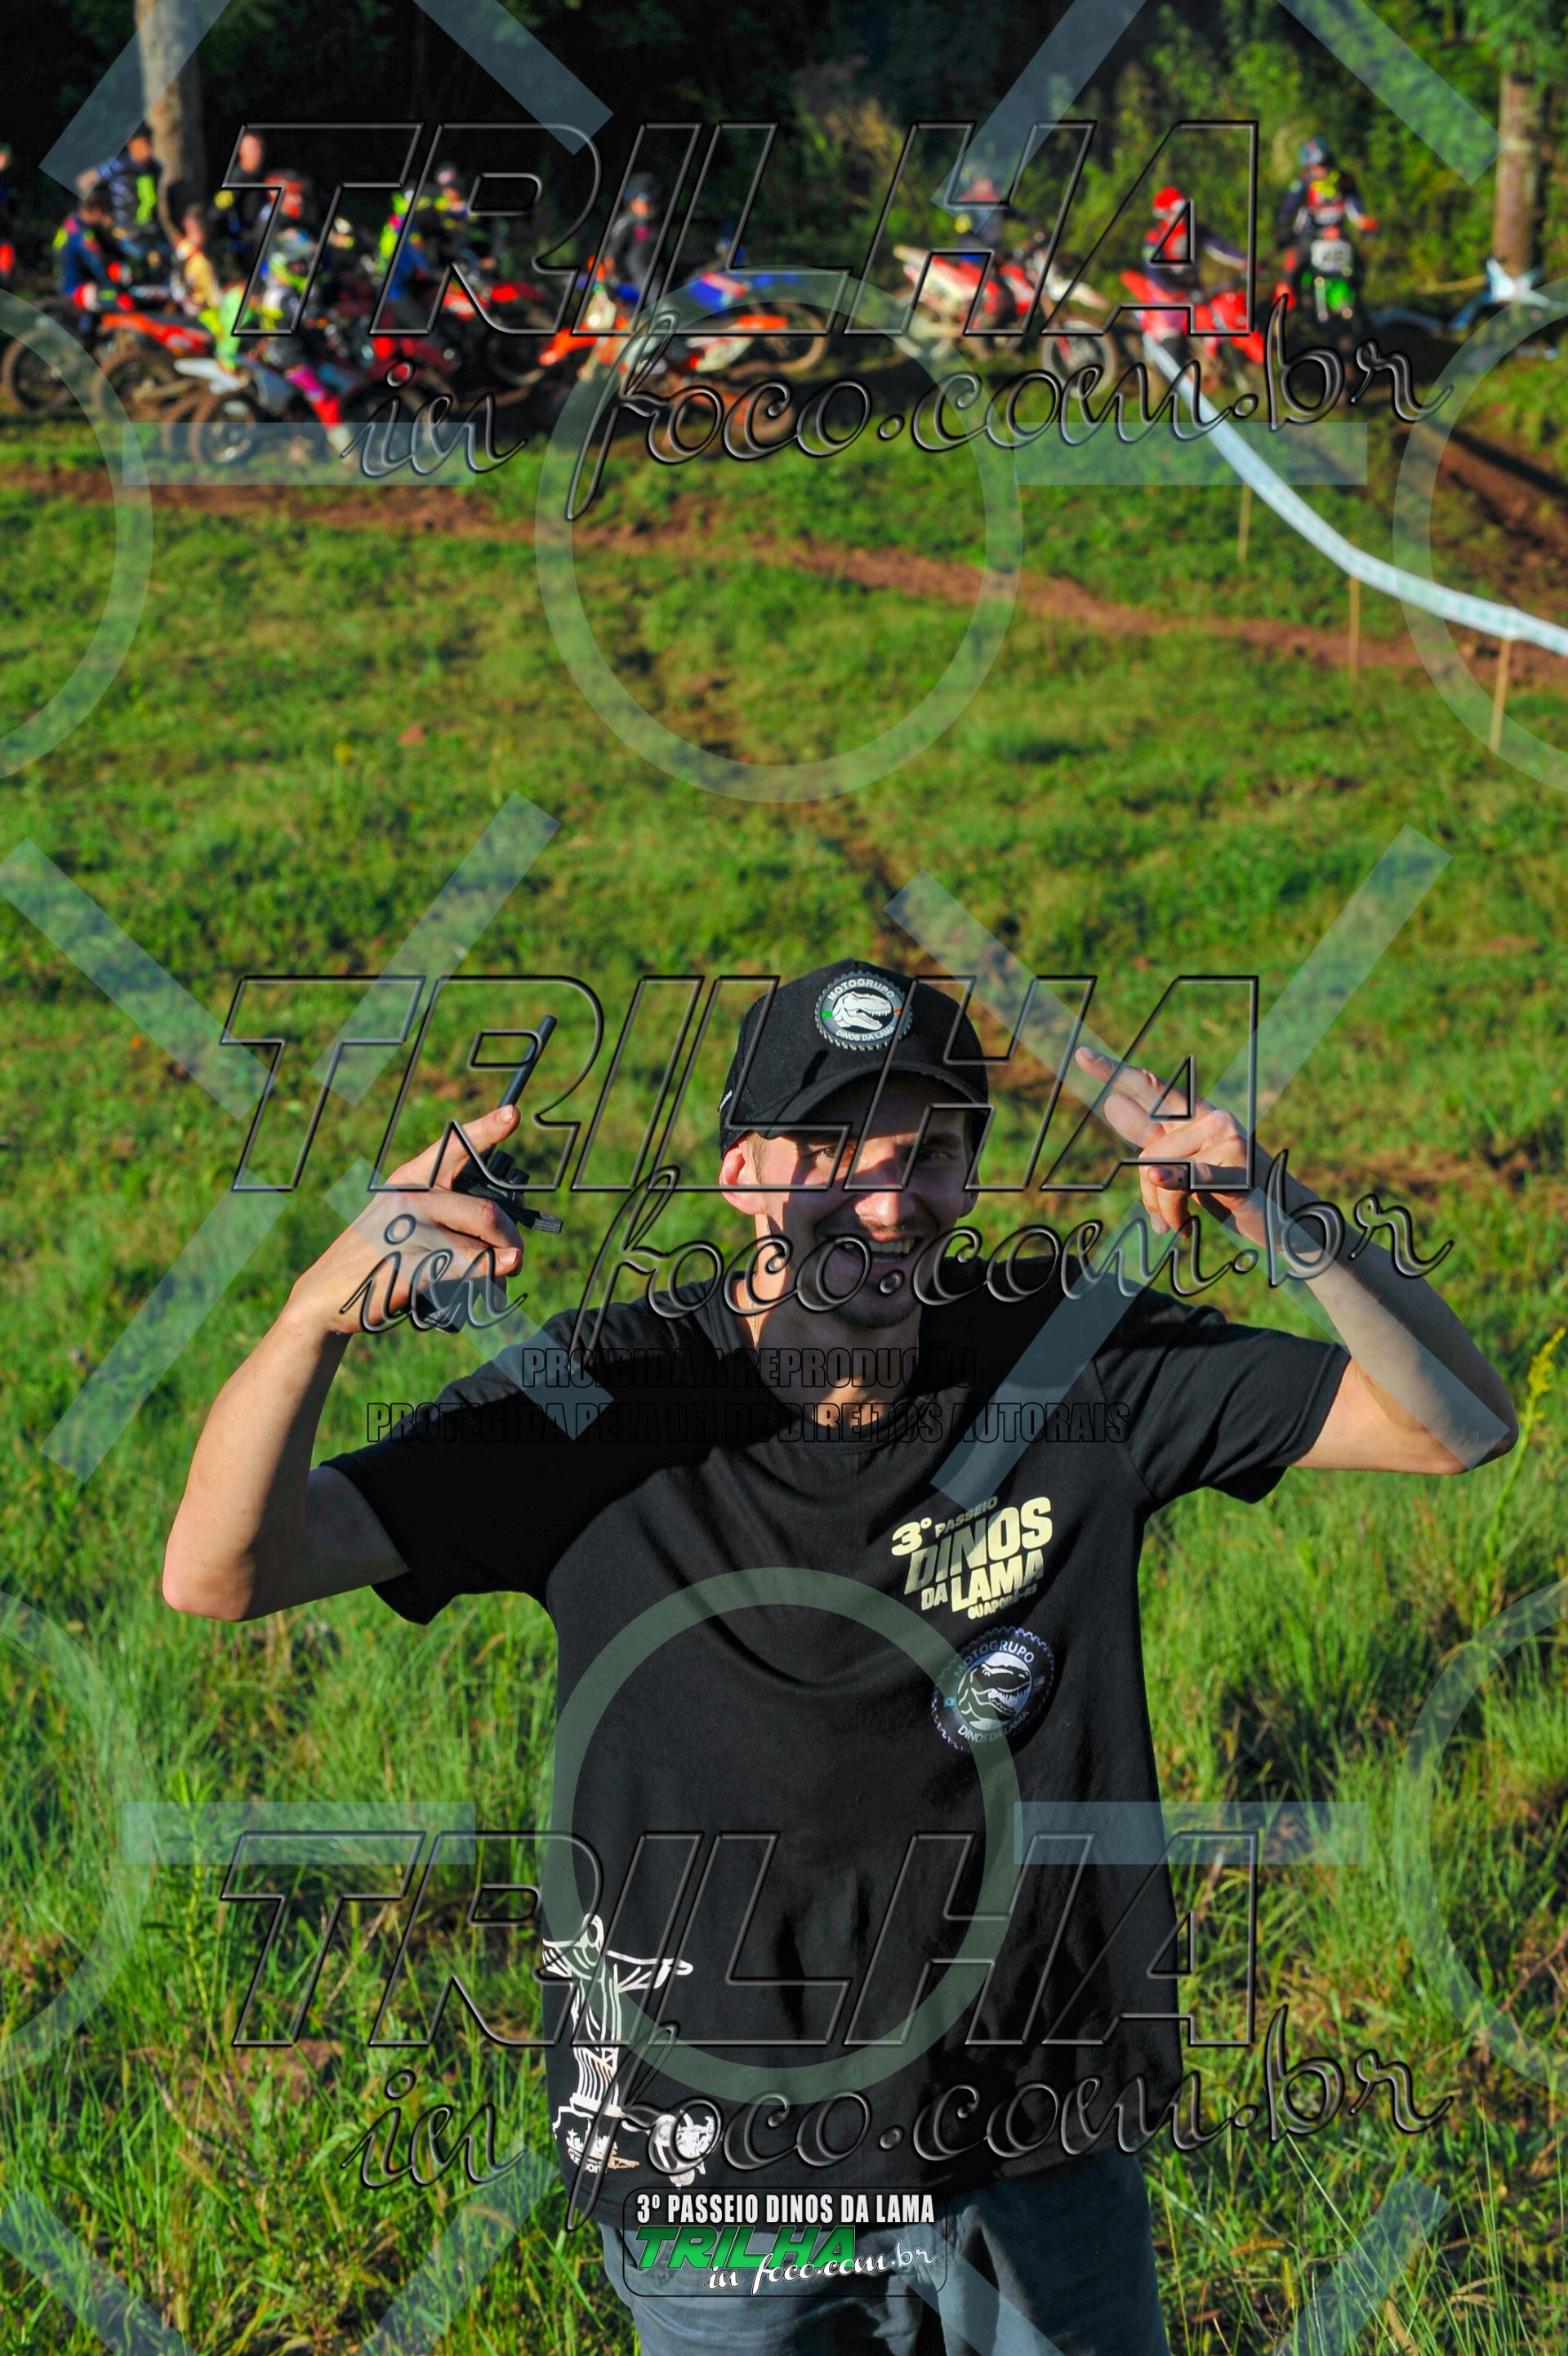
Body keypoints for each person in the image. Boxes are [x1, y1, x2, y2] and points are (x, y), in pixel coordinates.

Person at [163, 961, 1517, 2355]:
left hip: (1035, 2145)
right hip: (725, 2185)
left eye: (927, 1151)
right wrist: (311, 1321)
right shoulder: (601, 1401)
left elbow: (1459, 1422)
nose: (883, 1196)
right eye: (826, 1148)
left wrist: (1270, 1204)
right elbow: (222, 1571)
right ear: (742, 1172)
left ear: (968, 1178)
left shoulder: (1067, 1365)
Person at [1273, 137, 1377, 287]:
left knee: (1358, 269)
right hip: (1309, 236)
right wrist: (1283, 229)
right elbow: (1288, 210)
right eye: (1315, 166)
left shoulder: (1345, 181)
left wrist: (1366, 225)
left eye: (1323, 164)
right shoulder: (1303, 183)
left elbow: (1357, 212)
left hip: (1338, 236)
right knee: (1292, 274)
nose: (1321, 170)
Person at [93, 124, 163, 270]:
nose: (148, 150)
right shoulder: (118, 166)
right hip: (126, 236)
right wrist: (104, 214)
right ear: (131, 144)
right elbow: (86, 181)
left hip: (152, 234)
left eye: (150, 144)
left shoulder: (154, 168)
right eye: (143, 145)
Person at [54, 185, 123, 321]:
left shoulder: (71, 221)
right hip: (77, 292)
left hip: (65, 288)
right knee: (125, 301)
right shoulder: (82, 233)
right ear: (97, 211)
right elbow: (97, 264)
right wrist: (116, 287)